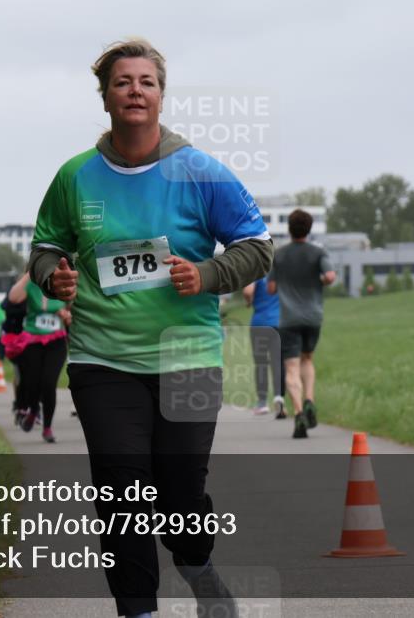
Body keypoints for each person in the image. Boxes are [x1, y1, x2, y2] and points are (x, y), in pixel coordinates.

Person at [29, 39, 272, 618]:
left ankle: (197, 565)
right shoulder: (76, 176)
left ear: (161, 95)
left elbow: (258, 247)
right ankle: (138, 609)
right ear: (106, 96)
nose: (135, 90)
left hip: (187, 355)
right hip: (101, 360)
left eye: (146, 81)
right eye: (123, 82)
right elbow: (44, 248)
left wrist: (209, 272)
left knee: (181, 492)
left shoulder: (201, 172)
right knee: (121, 493)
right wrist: (52, 278)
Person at [267, 209, 336, 439]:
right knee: (307, 359)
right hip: (313, 316)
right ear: (309, 228)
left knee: (291, 368)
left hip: (288, 319)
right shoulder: (318, 252)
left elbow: (271, 288)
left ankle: (298, 414)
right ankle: (309, 400)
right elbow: (331, 277)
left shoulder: (279, 255)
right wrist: (318, 280)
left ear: (289, 228)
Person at [7, 273, 70, 443]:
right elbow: (13, 298)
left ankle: (47, 427)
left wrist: (67, 315)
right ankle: (33, 410)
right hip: (32, 340)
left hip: (56, 341)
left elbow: (74, 309)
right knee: (32, 382)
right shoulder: (30, 284)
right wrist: (29, 273)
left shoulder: (62, 283)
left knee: (49, 383)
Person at [242, 276, 285, 418]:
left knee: (261, 363)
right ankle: (279, 398)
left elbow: (248, 291)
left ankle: (262, 403)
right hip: (278, 323)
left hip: (259, 324)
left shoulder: (257, 273)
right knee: (278, 362)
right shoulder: (280, 273)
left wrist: (249, 302)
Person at [0, 276, 30, 417]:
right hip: (16, 340)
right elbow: (5, 308)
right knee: (20, 373)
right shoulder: (13, 294)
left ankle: (32, 404)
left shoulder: (35, 293)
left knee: (32, 375)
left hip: (33, 339)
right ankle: (19, 402)